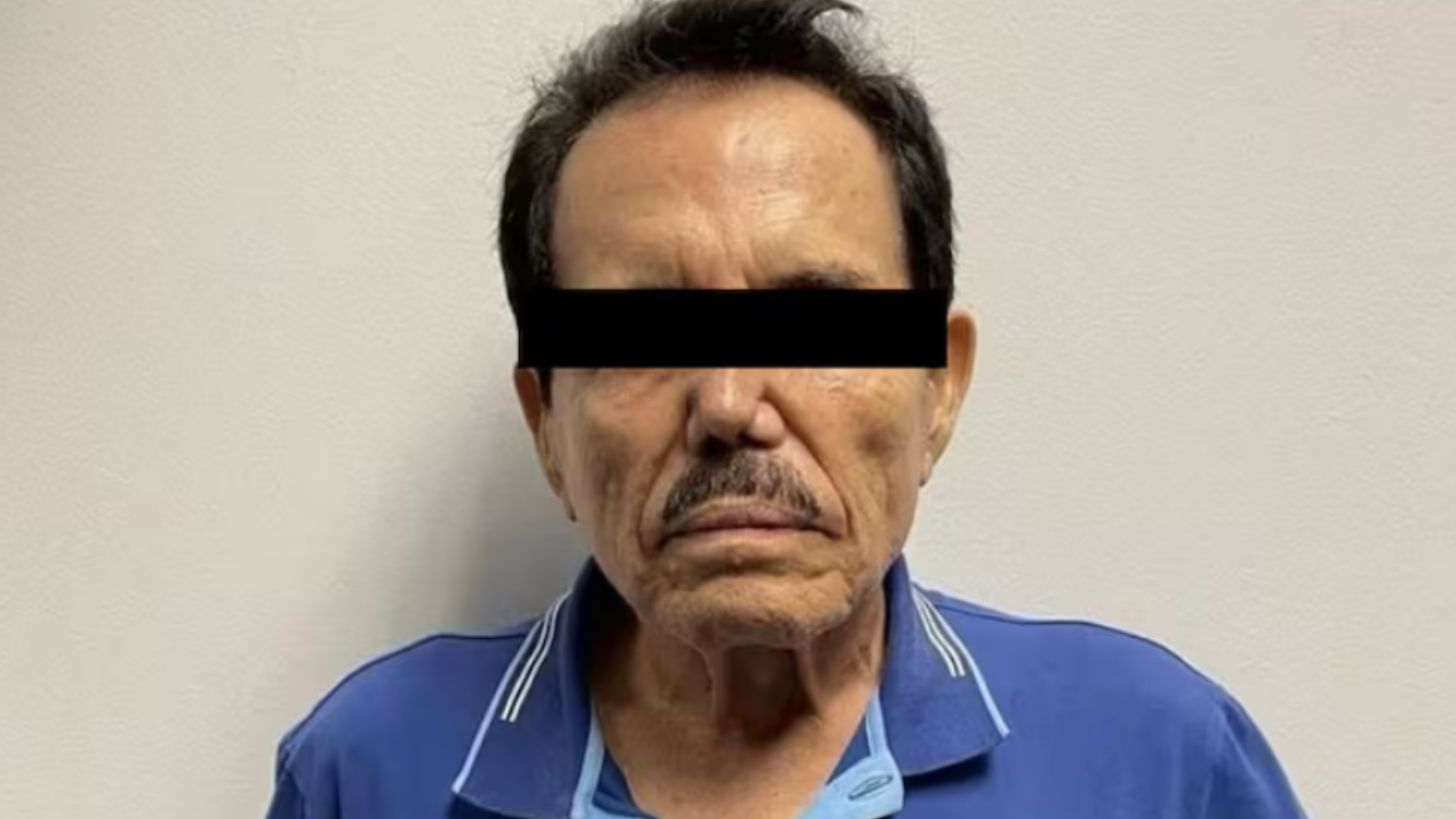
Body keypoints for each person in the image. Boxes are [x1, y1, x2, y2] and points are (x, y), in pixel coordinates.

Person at [265, 1, 1309, 816]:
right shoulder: (368, 773)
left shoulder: (1157, 765)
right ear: (546, 423)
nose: (728, 404)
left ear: (939, 387)